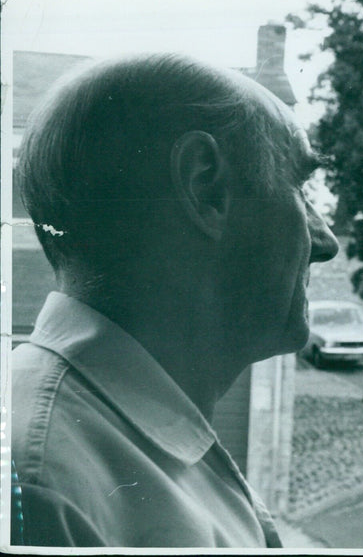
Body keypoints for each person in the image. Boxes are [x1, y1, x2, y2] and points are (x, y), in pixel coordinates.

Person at [11, 53, 339, 547]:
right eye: (299, 187)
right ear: (205, 185)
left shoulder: (87, 456)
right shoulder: (48, 490)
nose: (326, 241)